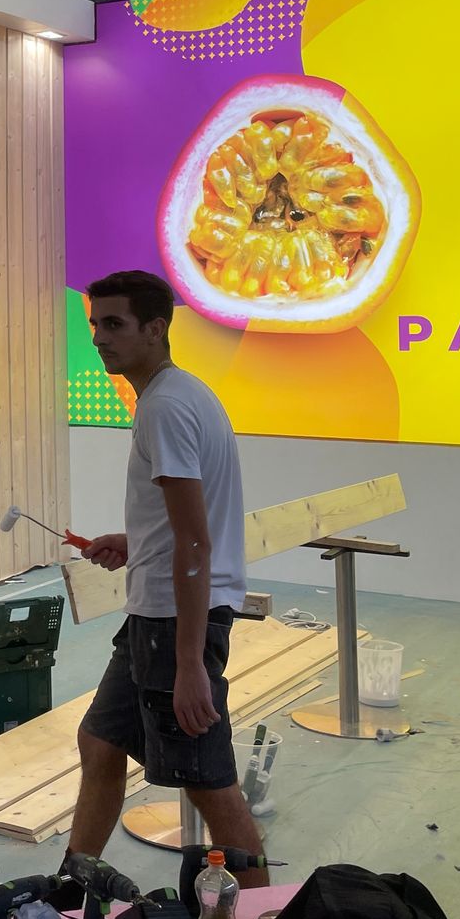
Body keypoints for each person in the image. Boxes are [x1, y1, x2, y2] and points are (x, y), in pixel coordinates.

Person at [67, 269, 268, 887]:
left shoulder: (164, 408)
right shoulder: (181, 394)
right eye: (95, 323)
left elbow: (195, 541)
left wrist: (188, 665)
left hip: (174, 625)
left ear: (156, 328)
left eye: (114, 324)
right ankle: (73, 886)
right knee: (100, 743)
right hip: (153, 618)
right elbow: (188, 523)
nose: (99, 337)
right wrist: (136, 544)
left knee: (208, 783)